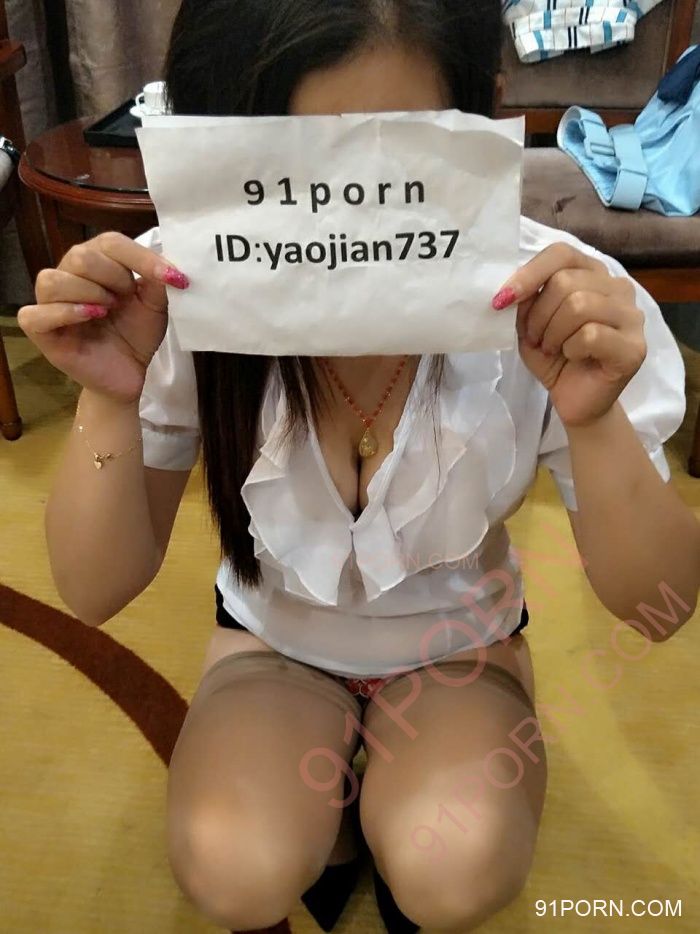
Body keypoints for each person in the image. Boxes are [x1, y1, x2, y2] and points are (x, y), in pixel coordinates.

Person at [18, 1, 700, 932]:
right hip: (271, 643)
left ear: (483, 114)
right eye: (285, 170)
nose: (343, 211)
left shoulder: (557, 300)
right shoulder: (175, 292)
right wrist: (107, 395)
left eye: (394, 159)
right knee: (233, 864)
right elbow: (94, 590)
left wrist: (597, 421)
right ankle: (334, 811)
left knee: (452, 863)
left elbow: (659, 602)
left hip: (460, 650)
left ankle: (377, 798)